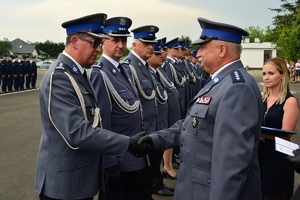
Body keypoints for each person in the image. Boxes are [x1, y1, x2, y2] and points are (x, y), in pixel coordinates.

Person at [135, 17, 263, 200]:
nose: (198, 53)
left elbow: (231, 164)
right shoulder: (219, 81)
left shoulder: (237, 88)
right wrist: (154, 140)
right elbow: (194, 125)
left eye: (203, 47)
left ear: (222, 49)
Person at [34, 13, 149, 200]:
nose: (98, 48)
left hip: (78, 179)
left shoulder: (78, 74)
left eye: (100, 43)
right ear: (75, 41)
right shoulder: (60, 76)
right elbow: (77, 132)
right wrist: (127, 143)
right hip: (65, 185)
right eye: (94, 43)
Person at [89, 16, 148, 200]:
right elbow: (102, 122)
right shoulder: (100, 73)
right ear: (104, 42)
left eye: (124, 40)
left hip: (134, 158)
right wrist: (109, 164)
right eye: (115, 40)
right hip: (119, 161)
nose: (121, 45)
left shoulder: (124, 70)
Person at [123, 25, 174, 198]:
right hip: (141, 136)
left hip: (154, 131)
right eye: (146, 43)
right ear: (134, 44)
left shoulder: (145, 68)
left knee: (148, 176)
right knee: (140, 182)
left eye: (152, 43)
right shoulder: (129, 67)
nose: (151, 47)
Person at [259, 57, 299, 200]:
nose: (266, 78)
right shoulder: (261, 97)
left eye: (271, 73)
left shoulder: (290, 101)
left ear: (282, 75)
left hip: (278, 158)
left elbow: (286, 135)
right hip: (259, 155)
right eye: (264, 74)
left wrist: (261, 134)